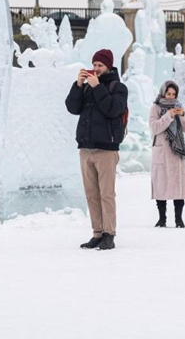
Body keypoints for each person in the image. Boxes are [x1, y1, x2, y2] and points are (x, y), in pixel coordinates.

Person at [65, 49, 128, 250]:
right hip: (86, 148)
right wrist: (78, 85)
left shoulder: (118, 87)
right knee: (91, 194)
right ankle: (97, 233)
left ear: (108, 66)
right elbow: (72, 108)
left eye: (100, 65)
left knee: (106, 194)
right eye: (94, 64)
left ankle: (109, 233)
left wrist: (98, 87)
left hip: (106, 149)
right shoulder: (87, 87)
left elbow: (113, 110)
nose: (96, 68)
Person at [149, 81, 185, 228]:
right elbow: (155, 127)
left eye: (173, 94)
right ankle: (162, 219)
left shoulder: (179, 106)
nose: (171, 96)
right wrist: (168, 115)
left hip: (177, 152)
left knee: (177, 187)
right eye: (168, 94)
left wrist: (183, 115)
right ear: (163, 93)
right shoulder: (155, 107)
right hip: (161, 151)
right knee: (161, 186)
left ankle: (179, 219)